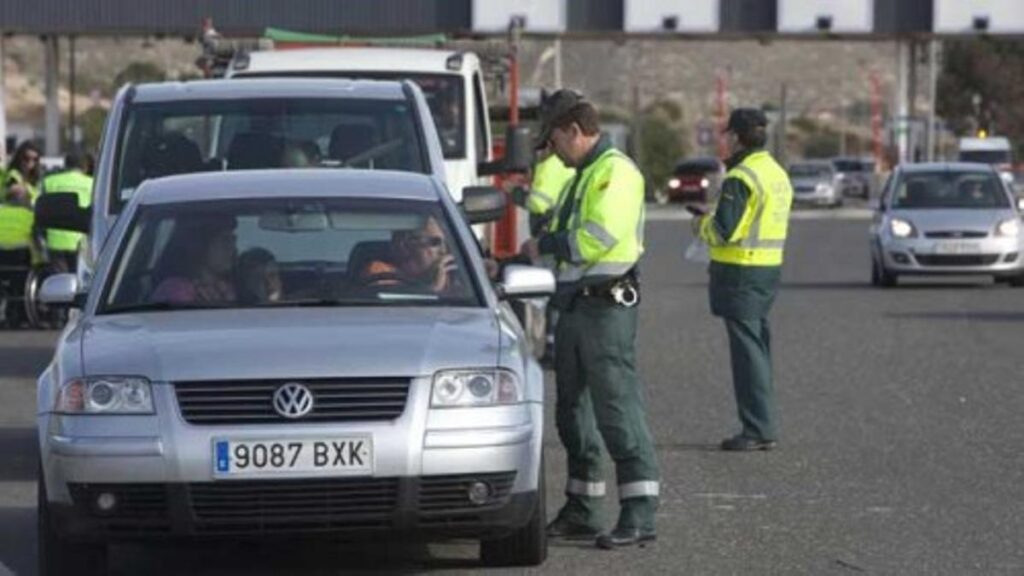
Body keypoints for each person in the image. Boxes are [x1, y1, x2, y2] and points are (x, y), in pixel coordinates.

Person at [520, 89, 659, 549]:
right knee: (572, 414)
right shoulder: (584, 174)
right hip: (577, 305)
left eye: (555, 140)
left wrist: (549, 245)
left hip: (605, 308)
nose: (553, 151)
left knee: (616, 409)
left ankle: (639, 512)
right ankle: (583, 508)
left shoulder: (615, 172)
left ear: (574, 131)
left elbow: (594, 237)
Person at [694, 108, 793, 452]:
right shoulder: (775, 172)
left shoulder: (742, 176)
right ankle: (762, 423)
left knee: (748, 353)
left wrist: (700, 225)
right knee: (758, 348)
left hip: (741, 272)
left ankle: (758, 428)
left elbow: (724, 231)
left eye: (728, 135)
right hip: (767, 269)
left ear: (736, 136)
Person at [358, 215, 459, 295]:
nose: (443, 251)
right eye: (434, 242)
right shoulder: (380, 273)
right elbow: (396, 314)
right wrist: (433, 290)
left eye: (447, 243)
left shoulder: (454, 276)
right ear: (404, 245)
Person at [152, 218, 238, 305]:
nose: (232, 249)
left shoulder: (226, 289)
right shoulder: (175, 290)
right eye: (225, 241)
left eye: (233, 240)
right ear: (201, 245)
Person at [40, 151, 94, 273]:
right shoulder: (91, 183)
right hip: (81, 241)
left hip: (55, 241)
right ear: (84, 167)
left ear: (65, 165)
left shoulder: (49, 181)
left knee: (59, 283)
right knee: (79, 281)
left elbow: (41, 208)